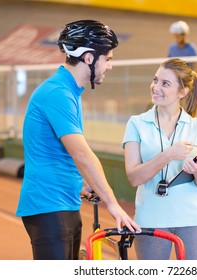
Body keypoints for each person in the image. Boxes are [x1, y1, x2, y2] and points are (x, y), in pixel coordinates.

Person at [16, 20, 139, 260]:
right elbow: (81, 154)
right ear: (89, 58)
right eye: (108, 58)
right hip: (50, 205)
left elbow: (54, 153)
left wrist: (80, 186)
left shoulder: (69, 91)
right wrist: (112, 203)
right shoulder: (58, 93)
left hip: (63, 202)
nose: (110, 66)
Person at [122, 58, 197, 260]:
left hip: (194, 218)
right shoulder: (136, 124)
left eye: (165, 83)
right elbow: (134, 177)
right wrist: (168, 155)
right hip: (151, 217)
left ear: (182, 92)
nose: (156, 87)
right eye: (155, 80)